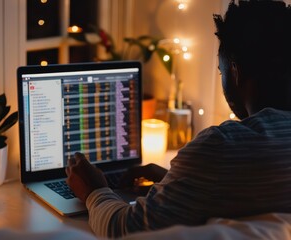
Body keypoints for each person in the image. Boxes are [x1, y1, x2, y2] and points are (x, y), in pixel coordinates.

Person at [66, 0, 291, 238]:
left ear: (236, 71)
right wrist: (180, 184)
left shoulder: (222, 147)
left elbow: (124, 230)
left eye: (221, 71)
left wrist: (94, 190)